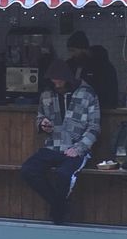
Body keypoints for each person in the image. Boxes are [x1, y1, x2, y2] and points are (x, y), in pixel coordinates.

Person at [20, 59, 101, 224]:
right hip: (52, 145)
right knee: (28, 169)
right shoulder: (47, 94)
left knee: (64, 174)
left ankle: (58, 213)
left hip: (76, 148)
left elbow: (94, 127)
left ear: (68, 77)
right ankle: (60, 205)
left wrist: (79, 148)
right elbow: (40, 117)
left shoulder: (87, 94)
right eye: (52, 78)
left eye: (59, 78)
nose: (55, 82)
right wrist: (42, 124)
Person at [88, 45, 119, 109]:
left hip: (103, 105)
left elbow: (101, 88)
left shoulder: (100, 68)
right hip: (109, 105)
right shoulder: (109, 67)